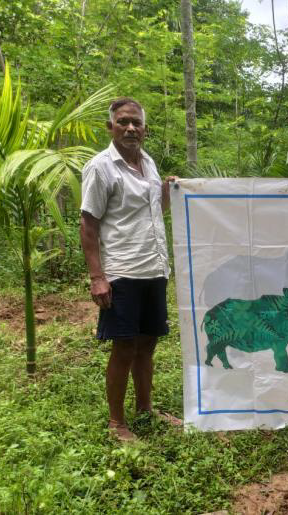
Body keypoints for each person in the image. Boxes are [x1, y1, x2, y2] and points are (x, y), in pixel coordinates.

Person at [80, 97, 181, 442]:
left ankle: (145, 409)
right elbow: (89, 224)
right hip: (122, 272)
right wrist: (97, 277)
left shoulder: (149, 163)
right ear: (110, 127)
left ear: (145, 130)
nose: (130, 128)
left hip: (154, 269)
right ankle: (116, 423)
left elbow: (155, 211)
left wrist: (167, 191)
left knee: (148, 343)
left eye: (136, 123)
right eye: (122, 122)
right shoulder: (101, 167)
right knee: (123, 346)